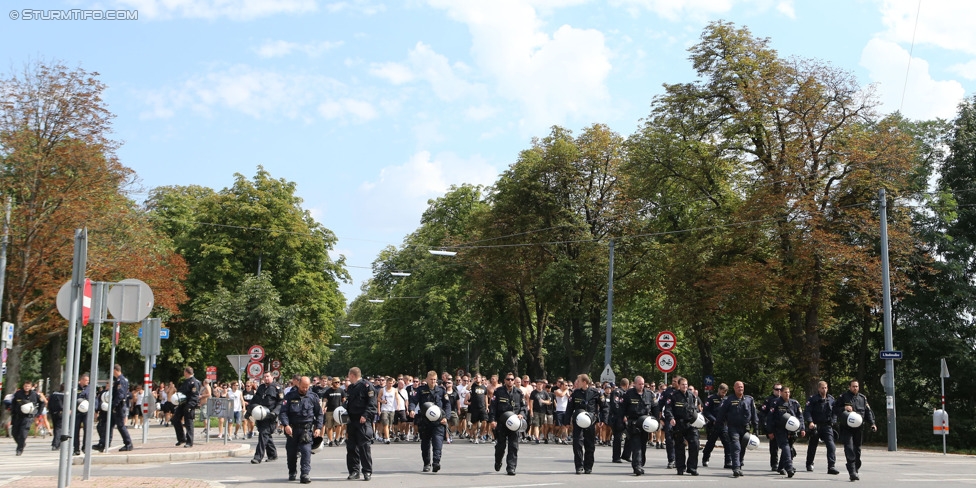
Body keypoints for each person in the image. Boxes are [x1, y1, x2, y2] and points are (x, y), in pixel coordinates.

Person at [279, 376, 323, 484]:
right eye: (303, 387)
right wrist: (286, 425)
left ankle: (305, 474)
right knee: (291, 453)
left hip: (306, 430)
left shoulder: (313, 397)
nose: (305, 389)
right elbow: (283, 412)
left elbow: (319, 414)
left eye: (307, 387)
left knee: (306, 452)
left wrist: (318, 427)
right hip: (292, 430)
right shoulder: (290, 396)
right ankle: (292, 471)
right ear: (298, 384)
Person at [832, 379, 876, 482]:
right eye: (853, 386)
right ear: (849, 387)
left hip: (859, 428)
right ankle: (852, 472)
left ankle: (855, 469)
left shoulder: (862, 398)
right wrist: (844, 408)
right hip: (846, 428)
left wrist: (872, 423)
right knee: (849, 448)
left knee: (857, 450)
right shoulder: (843, 397)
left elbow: (868, 412)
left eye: (856, 386)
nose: (855, 388)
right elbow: (834, 409)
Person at [409, 370, 451, 472]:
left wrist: (446, 417)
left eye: (435, 379)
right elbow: (413, 401)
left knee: (438, 443)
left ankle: (436, 463)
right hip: (425, 421)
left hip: (438, 421)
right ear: (427, 379)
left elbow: (447, 405)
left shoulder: (441, 390)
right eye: (431, 379)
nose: (433, 381)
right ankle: (426, 463)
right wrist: (411, 410)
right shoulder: (420, 390)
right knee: (425, 444)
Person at [716, 380, 758, 478]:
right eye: (738, 387)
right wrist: (718, 425)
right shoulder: (728, 400)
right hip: (733, 428)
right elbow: (721, 414)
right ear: (734, 388)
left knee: (742, 448)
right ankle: (736, 468)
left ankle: (740, 465)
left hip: (745, 428)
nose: (740, 389)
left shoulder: (749, 399)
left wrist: (756, 428)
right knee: (736, 447)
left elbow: (754, 414)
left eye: (742, 387)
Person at [489, 372, 527, 476]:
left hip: (514, 424)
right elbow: (493, 407)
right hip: (501, 423)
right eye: (508, 379)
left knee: (514, 446)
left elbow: (524, 407)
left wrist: (521, 414)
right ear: (504, 380)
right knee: (500, 446)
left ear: (514, 380)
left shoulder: (518, 393)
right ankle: (498, 461)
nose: (510, 381)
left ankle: (511, 467)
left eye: (511, 379)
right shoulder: (498, 391)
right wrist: (492, 420)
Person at [622, 376, 659, 475]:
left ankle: (641, 464)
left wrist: (657, 422)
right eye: (639, 384)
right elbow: (622, 409)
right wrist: (622, 421)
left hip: (646, 423)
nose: (641, 386)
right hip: (634, 423)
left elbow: (655, 409)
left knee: (643, 446)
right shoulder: (629, 394)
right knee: (636, 446)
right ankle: (637, 466)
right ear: (634, 384)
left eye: (643, 384)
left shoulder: (649, 394)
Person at [344, 367, 376, 481]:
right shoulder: (351, 388)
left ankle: (367, 471)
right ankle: (354, 471)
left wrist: (365, 415)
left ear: (352, 375)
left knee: (364, 447)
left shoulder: (366, 386)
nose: (348, 377)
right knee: (351, 447)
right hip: (351, 421)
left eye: (349, 375)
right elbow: (347, 404)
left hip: (362, 421)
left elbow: (372, 404)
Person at [664, 376, 700, 476]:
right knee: (679, 447)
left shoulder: (691, 396)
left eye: (686, 384)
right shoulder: (673, 396)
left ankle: (692, 467)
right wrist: (671, 418)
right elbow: (668, 409)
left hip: (690, 424)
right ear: (679, 385)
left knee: (695, 444)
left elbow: (695, 410)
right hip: (678, 424)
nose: (685, 386)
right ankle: (680, 468)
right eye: (683, 384)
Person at [766, 386, 805, 477]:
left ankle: (781, 467)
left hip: (791, 430)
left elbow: (800, 417)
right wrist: (770, 431)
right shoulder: (775, 403)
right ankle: (789, 468)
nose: (787, 394)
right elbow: (770, 418)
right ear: (781, 393)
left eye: (788, 392)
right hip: (779, 429)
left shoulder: (794, 403)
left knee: (789, 449)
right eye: (785, 392)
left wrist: (802, 428)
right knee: (785, 447)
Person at [569, 374, 602, 474]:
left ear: (584, 382)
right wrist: (566, 422)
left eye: (578, 381)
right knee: (577, 444)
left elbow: (604, 407)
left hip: (590, 422)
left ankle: (588, 466)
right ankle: (579, 466)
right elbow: (569, 408)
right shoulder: (575, 393)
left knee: (590, 445)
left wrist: (601, 420)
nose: (576, 382)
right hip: (578, 421)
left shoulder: (595, 393)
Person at [804, 380, 839, 474]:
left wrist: (833, 421)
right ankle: (809, 463)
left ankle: (831, 466)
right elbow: (807, 411)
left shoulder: (831, 399)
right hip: (815, 425)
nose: (824, 389)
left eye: (826, 388)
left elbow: (835, 412)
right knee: (812, 446)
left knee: (831, 446)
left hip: (827, 426)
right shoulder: (813, 399)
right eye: (822, 388)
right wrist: (810, 422)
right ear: (818, 388)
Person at [250, 372, 282, 464]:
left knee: (263, 435)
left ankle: (258, 457)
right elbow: (255, 400)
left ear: (272, 377)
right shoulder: (261, 387)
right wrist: (249, 412)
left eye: (268, 376)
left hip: (270, 416)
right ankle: (272, 454)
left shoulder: (277, 388)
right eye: (264, 377)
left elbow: (281, 402)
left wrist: (275, 412)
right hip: (260, 415)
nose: (266, 378)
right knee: (265, 435)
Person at [701, 383, 731, 469]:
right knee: (710, 443)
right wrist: (713, 420)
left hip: (723, 424)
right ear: (718, 390)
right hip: (713, 425)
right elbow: (706, 411)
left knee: (727, 443)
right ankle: (705, 458)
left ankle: (728, 462)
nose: (723, 394)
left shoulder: (727, 399)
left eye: (725, 392)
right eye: (722, 392)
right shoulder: (711, 398)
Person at [173, 366, 202, 448]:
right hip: (182, 404)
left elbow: (195, 396)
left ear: (186, 372)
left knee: (189, 423)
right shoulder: (186, 381)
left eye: (184, 372)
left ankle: (189, 442)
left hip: (189, 405)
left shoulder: (194, 382)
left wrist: (190, 406)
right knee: (175, 419)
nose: (183, 373)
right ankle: (182, 438)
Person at [10, 380, 41, 456]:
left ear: (31, 387)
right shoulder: (18, 393)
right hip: (18, 416)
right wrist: (12, 411)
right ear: (23, 386)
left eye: (28, 386)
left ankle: (19, 450)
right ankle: (21, 444)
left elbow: (42, 402)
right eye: (25, 386)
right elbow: (13, 403)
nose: (26, 388)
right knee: (14, 433)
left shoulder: (34, 394)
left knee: (23, 434)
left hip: (28, 417)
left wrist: (38, 413)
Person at [108, 364, 134, 451]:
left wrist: (114, 405)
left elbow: (120, 394)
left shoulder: (120, 380)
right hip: (118, 405)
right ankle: (105, 443)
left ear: (115, 370)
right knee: (109, 424)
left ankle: (128, 443)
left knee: (120, 425)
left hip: (119, 406)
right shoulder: (120, 380)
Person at [760, 383, 783, 471]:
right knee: (774, 447)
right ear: (773, 390)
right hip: (773, 427)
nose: (779, 391)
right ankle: (774, 464)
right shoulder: (768, 400)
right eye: (777, 389)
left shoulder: (785, 400)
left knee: (787, 447)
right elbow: (763, 414)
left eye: (780, 389)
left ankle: (786, 463)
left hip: (783, 427)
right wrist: (767, 429)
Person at [658, 376, 679, 467]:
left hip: (680, 419)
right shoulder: (667, 391)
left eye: (675, 381)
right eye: (673, 381)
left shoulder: (683, 392)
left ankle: (679, 460)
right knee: (669, 439)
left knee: (679, 440)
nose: (673, 383)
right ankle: (671, 459)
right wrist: (660, 418)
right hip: (668, 418)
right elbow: (660, 405)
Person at [609, 378, 629, 463]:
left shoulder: (625, 393)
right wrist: (621, 415)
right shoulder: (617, 392)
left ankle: (626, 455)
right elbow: (615, 405)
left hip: (624, 418)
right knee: (618, 437)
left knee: (629, 436)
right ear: (627, 385)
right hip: (617, 418)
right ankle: (616, 457)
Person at [323, 377, 346, 446]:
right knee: (329, 426)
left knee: (339, 425)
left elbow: (344, 400)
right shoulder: (328, 391)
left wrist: (345, 408)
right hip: (330, 410)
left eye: (339, 382)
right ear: (332, 383)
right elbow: (324, 400)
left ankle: (336, 439)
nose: (337, 383)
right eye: (336, 382)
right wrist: (323, 407)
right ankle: (330, 440)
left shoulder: (341, 390)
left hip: (339, 411)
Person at [466, 375, 489, 444]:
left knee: (484, 422)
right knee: (475, 423)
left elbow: (486, 397)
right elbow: (467, 388)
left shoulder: (484, 387)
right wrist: (473, 381)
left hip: (482, 407)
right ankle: (475, 437)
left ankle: (481, 435)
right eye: (476, 377)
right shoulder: (473, 386)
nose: (477, 378)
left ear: (481, 378)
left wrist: (487, 407)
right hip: (475, 407)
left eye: (478, 377)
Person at [73, 373, 92, 455]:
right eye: (86, 380)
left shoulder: (90, 388)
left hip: (86, 412)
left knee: (87, 430)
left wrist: (95, 410)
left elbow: (93, 399)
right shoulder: (75, 388)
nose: (87, 382)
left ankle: (85, 447)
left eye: (88, 380)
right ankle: (76, 449)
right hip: (77, 412)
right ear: (81, 380)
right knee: (76, 430)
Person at [48, 384, 66, 450]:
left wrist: (50, 411)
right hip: (61, 413)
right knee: (59, 428)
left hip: (53, 413)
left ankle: (56, 442)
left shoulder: (53, 394)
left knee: (56, 428)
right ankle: (55, 444)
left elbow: (49, 403)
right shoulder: (65, 395)